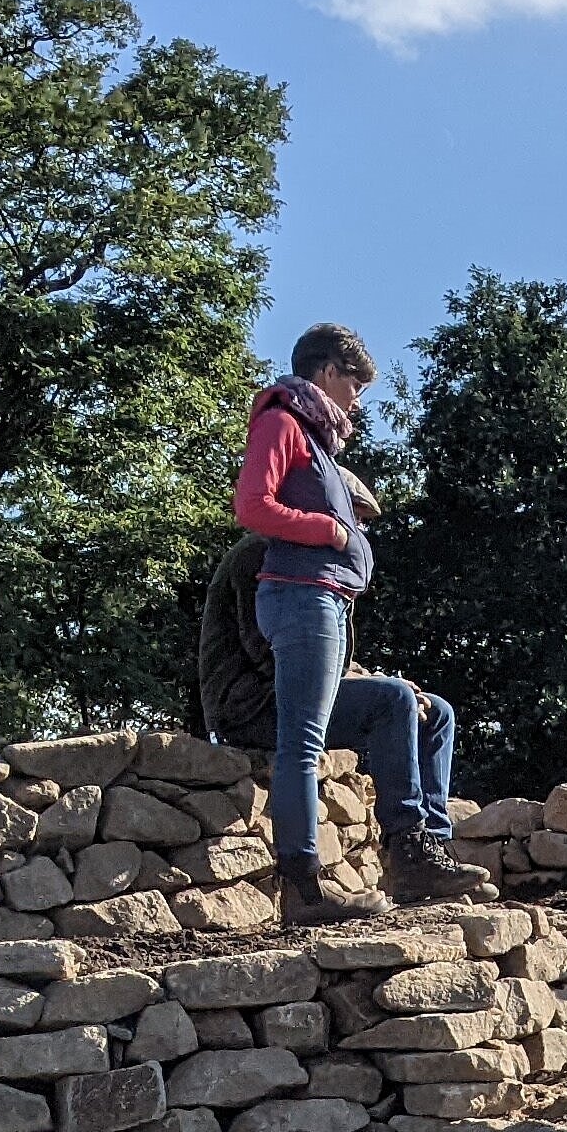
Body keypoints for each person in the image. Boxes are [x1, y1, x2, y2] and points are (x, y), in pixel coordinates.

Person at [229, 322, 488, 926]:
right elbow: (251, 505)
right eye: (355, 384)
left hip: (323, 598)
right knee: (303, 743)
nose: (358, 400)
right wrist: (332, 531)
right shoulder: (282, 420)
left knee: (405, 705)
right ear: (326, 371)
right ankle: (305, 890)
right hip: (301, 596)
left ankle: (418, 856)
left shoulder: (314, 438)